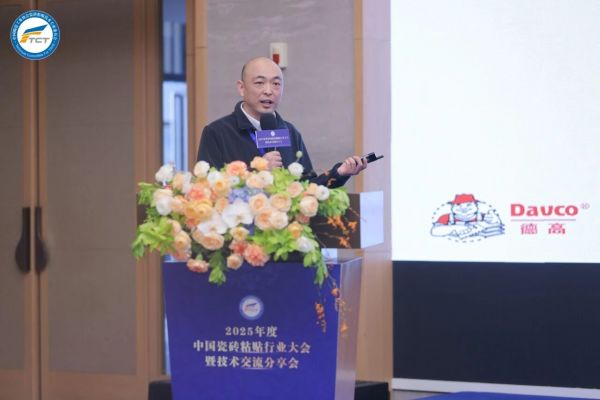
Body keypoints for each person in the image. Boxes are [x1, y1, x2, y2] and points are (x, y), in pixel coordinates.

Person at [197, 56, 367, 188]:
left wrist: (339, 173)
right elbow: (207, 189)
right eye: (259, 83)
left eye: (276, 84)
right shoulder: (217, 132)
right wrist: (257, 172)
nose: (268, 91)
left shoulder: (289, 132)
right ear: (242, 88)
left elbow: (306, 188)